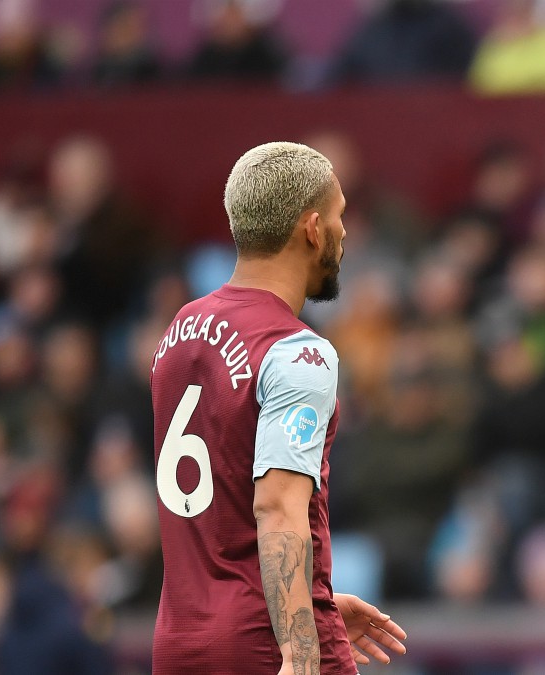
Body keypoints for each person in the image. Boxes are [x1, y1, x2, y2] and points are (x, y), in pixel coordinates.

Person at [150, 142, 406, 674]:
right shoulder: (297, 351)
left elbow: (221, 513)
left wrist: (325, 606)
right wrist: (301, 642)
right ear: (313, 229)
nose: (344, 232)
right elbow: (276, 508)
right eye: (338, 216)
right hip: (264, 644)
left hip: (180, 644)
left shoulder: (180, 332)